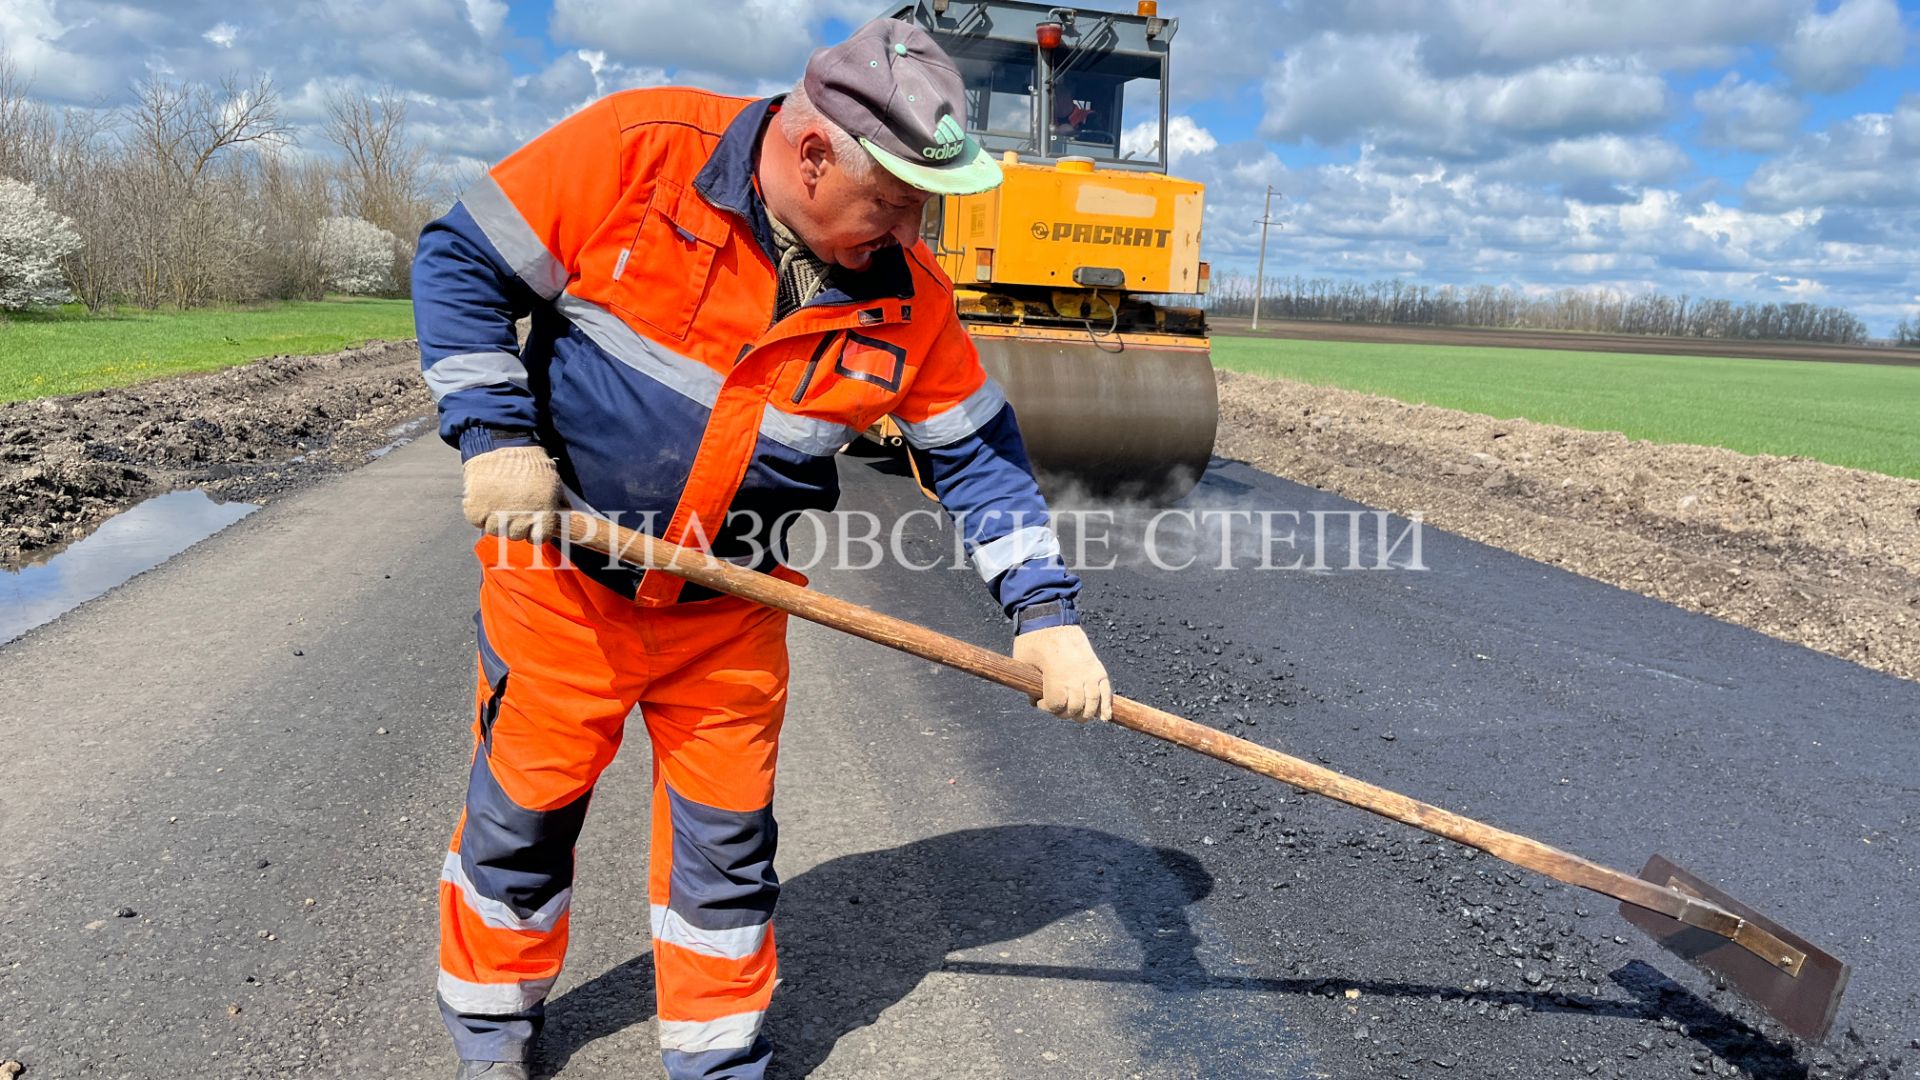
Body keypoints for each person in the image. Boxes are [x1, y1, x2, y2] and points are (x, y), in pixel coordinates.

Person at [410, 16, 1112, 1080]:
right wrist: (495, 436)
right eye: (894, 202)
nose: (910, 230)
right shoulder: (639, 151)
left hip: (732, 608)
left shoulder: (910, 301)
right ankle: (492, 1035)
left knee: (727, 850)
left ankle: (717, 1059)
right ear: (814, 151)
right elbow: (461, 258)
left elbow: (976, 457)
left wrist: (1046, 614)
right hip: (563, 592)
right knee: (524, 821)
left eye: (924, 207)